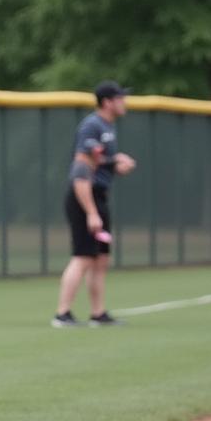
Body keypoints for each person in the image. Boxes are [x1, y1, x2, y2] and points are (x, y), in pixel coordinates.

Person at [52, 79, 137, 328]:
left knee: (100, 259)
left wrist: (115, 163)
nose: (124, 102)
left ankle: (97, 314)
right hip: (84, 196)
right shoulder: (92, 125)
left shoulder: (108, 126)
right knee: (83, 256)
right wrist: (90, 212)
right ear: (107, 102)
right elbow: (81, 168)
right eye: (120, 98)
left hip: (98, 196)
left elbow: (99, 162)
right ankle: (62, 313)